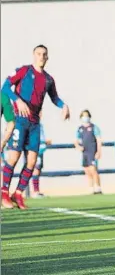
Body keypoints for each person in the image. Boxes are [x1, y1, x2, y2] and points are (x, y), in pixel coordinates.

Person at [1, 45, 70, 209]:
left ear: (47, 58)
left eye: (44, 54)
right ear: (34, 55)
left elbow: (54, 98)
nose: (41, 57)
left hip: (34, 124)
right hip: (20, 120)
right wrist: (17, 100)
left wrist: (64, 106)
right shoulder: (24, 71)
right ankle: (4, 192)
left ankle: (17, 194)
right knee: (13, 158)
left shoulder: (48, 79)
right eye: (38, 54)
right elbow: (4, 87)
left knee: (32, 162)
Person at [74, 109, 102, 194]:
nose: (85, 117)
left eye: (86, 115)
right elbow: (76, 140)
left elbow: (99, 140)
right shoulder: (80, 129)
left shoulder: (94, 127)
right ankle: (91, 187)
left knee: (93, 169)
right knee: (87, 170)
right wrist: (78, 146)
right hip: (84, 152)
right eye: (83, 116)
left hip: (92, 151)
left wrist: (99, 151)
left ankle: (98, 187)